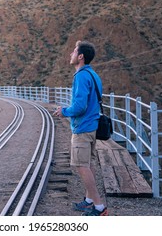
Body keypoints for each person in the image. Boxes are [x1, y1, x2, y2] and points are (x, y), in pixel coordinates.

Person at [53, 40, 108, 216]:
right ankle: (89, 201)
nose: (71, 54)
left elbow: (80, 106)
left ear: (81, 56)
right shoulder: (93, 75)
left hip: (83, 129)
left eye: (74, 51)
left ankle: (99, 207)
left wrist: (64, 111)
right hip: (92, 126)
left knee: (81, 165)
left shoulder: (81, 76)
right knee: (88, 163)